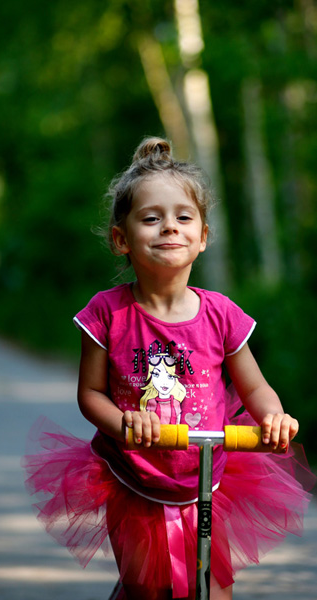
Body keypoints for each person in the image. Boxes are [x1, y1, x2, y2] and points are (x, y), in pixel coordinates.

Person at [22, 137, 315, 600]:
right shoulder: (108, 313)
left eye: (183, 217)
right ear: (122, 239)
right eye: (151, 218)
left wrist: (272, 416)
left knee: (213, 587)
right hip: (134, 478)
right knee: (146, 587)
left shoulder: (220, 314)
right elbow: (90, 394)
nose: (169, 228)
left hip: (208, 479)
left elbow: (256, 387)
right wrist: (124, 423)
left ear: (202, 238)